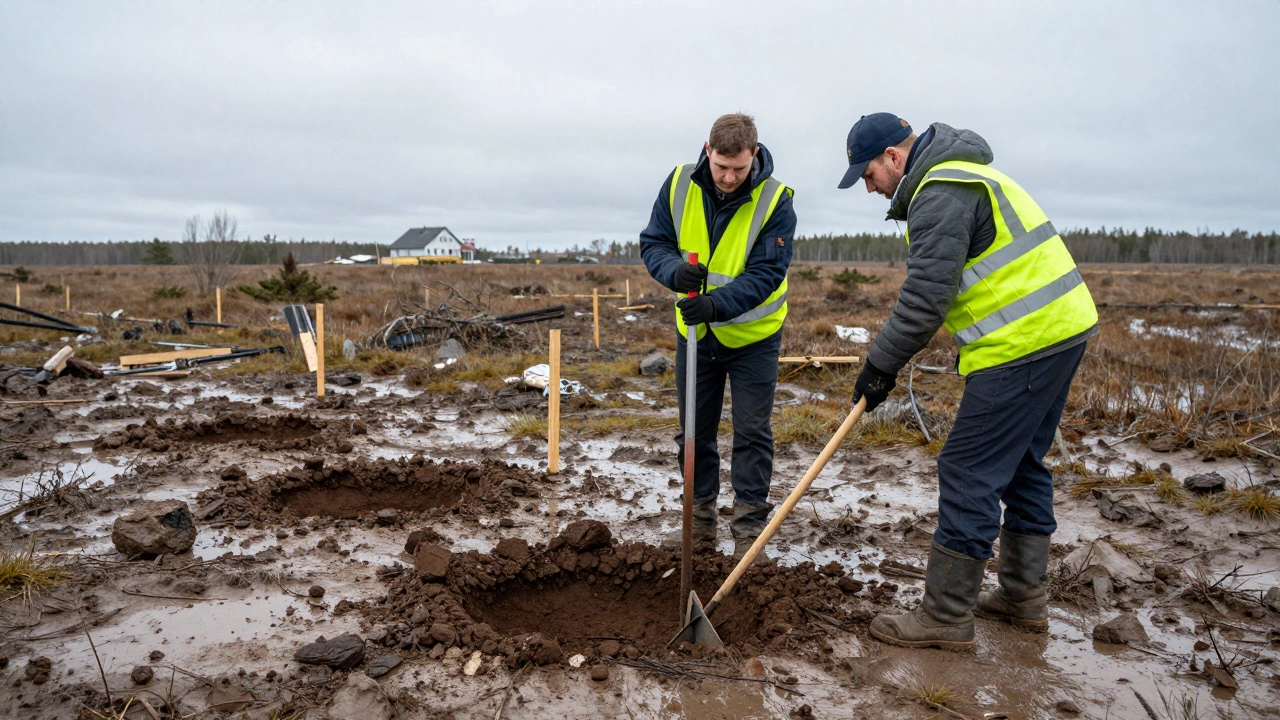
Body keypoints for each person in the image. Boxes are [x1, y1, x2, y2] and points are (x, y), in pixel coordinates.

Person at [837, 113, 1098, 650]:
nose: (869, 188)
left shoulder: (940, 191)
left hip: (1024, 341)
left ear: (893, 156)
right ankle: (1023, 598)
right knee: (1022, 462)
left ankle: (946, 616)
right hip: (1059, 330)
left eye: (867, 175)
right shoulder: (965, 175)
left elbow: (926, 298)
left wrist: (880, 366)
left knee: (968, 467)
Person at [640, 113, 797, 560]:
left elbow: (767, 273)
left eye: (739, 169)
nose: (729, 178)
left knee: (750, 432)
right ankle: (699, 526)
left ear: (755, 155)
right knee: (694, 433)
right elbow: (654, 242)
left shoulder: (776, 201)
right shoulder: (677, 183)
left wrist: (717, 304)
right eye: (721, 166)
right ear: (707, 150)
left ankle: (748, 533)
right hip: (695, 334)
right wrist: (673, 271)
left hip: (753, 337)